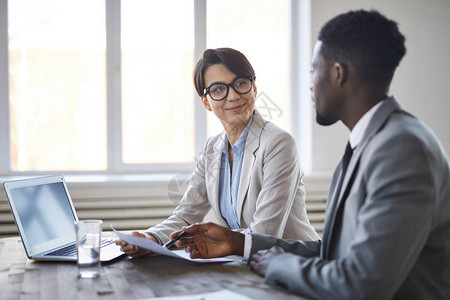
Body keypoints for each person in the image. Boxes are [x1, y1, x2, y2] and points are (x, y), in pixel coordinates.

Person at [172, 10, 450, 299]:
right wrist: (236, 242)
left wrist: (278, 263)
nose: (310, 84)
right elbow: (333, 252)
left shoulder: (401, 150)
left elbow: (363, 283)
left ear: (337, 74)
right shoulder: (368, 142)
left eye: (313, 70)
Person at [116, 48, 319, 257]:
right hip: (245, 265)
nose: (233, 96)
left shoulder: (278, 144)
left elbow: (265, 233)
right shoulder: (212, 148)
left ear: (254, 88)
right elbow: (186, 215)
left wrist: (215, 239)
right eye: (218, 89)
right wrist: (150, 239)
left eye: (241, 83)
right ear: (206, 101)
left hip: (296, 265)